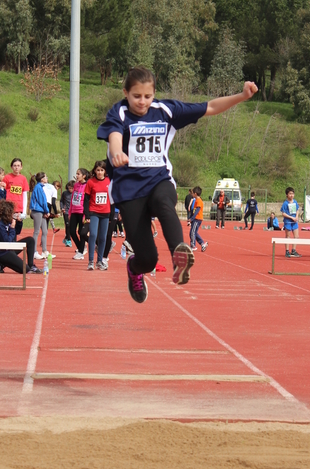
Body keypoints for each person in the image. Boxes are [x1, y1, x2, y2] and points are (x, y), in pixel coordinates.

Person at [97, 65, 258, 303]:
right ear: (125, 93)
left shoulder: (165, 110)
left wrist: (242, 96)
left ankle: (179, 256)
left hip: (158, 179)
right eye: (136, 96)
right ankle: (134, 269)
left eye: (148, 96)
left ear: (154, 94)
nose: (142, 102)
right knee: (148, 259)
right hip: (129, 190)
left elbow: (210, 107)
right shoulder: (119, 112)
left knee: (164, 202)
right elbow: (114, 134)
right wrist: (117, 151)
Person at [0, 200, 43, 275]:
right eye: (11, 212)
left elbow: (17, 232)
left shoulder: (7, 221)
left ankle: (31, 265)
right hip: (3, 252)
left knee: (30, 240)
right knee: (25, 269)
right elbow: (7, 241)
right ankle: (1, 262)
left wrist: (19, 223)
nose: (13, 214)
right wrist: (12, 227)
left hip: (10, 248)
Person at [84, 160, 111, 271]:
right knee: (93, 235)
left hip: (106, 213)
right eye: (98, 170)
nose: (100, 172)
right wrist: (87, 215)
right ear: (95, 171)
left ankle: (99, 261)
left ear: (105, 171)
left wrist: (113, 214)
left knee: (103, 237)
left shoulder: (109, 181)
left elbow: (112, 198)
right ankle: (91, 261)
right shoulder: (90, 182)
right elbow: (86, 200)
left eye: (102, 170)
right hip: (94, 212)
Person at [4, 158, 29, 236]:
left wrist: (24, 212)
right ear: (11, 167)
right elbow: (3, 193)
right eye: (14, 166)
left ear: (21, 167)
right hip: (9, 208)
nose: (16, 167)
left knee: (17, 231)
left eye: (18, 166)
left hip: (19, 209)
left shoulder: (23, 179)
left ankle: (14, 247)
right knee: (8, 230)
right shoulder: (7, 177)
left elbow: (25, 195)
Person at [30, 172, 50, 260]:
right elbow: (42, 201)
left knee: (45, 231)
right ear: (42, 179)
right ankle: (33, 251)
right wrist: (47, 211)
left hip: (41, 211)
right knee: (36, 231)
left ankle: (44, 250)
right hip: (37, 211)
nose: (47, 178)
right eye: (46, 177)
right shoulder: (38, 187)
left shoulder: (41, 187)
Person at [69, 168, 89, 260]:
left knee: (81, 232)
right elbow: (73, 198)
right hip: (74, 211)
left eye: (78, 174)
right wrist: (70, 211)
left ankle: (80, 252)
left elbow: (87, 201)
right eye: (76, 174)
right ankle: (81, 248)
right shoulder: (76, 185)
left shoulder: (87, 185)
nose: (76, 176)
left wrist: (85, 215)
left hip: (82, 212)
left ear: (84, 176)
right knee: (72, 231)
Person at [280, 187, 301, 257]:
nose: (291, 195)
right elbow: (283, 213)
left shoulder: (295, 202)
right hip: (288, 222)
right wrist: (291, 217)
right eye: (290, 194)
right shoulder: (285, 203)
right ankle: (287, 251)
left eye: (292, 193)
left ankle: (293, 250)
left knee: (296, 236)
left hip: (294, 222)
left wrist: (296, 217)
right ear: (287, 195)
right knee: (288, 236)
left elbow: (297, 210)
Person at [189, 186, 207, 252]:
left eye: (193, 193)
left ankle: (193, 245)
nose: (192, 194)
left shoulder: (199, 201)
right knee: (193, 232)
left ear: (195, 194)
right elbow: (193, 210)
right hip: (196, 218)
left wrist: (192, 218)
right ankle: (202, 243)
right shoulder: (196, 200)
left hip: (197, 218)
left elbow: (197, 210)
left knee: (192, 232)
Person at [61, 180, 74, 247]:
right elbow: (61, 201)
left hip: (74, 212)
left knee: (72, 227)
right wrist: (62, 208)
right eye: (69, 188)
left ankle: (66, 237)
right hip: (66, 211)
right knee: (67, 225)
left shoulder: (76, 193)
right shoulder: (65, 193)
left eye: (72, 188)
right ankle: (68, 240)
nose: (70, 190)